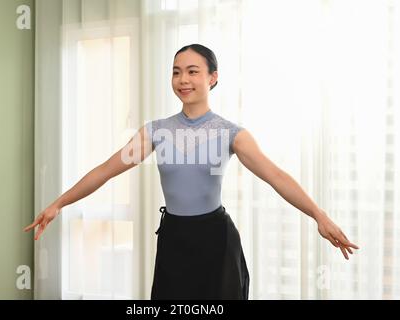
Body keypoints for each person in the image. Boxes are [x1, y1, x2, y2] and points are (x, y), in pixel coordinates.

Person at [24, 43, 359, 300]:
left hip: (217, 242)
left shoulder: (231, 133)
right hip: (174, 240)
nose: (183, 79)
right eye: (176, 71)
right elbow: (105, 170)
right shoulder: (156, 131)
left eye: (193, 71)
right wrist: (59, 203)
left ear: (213, 78)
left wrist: (319, 215)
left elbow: (276, 177)